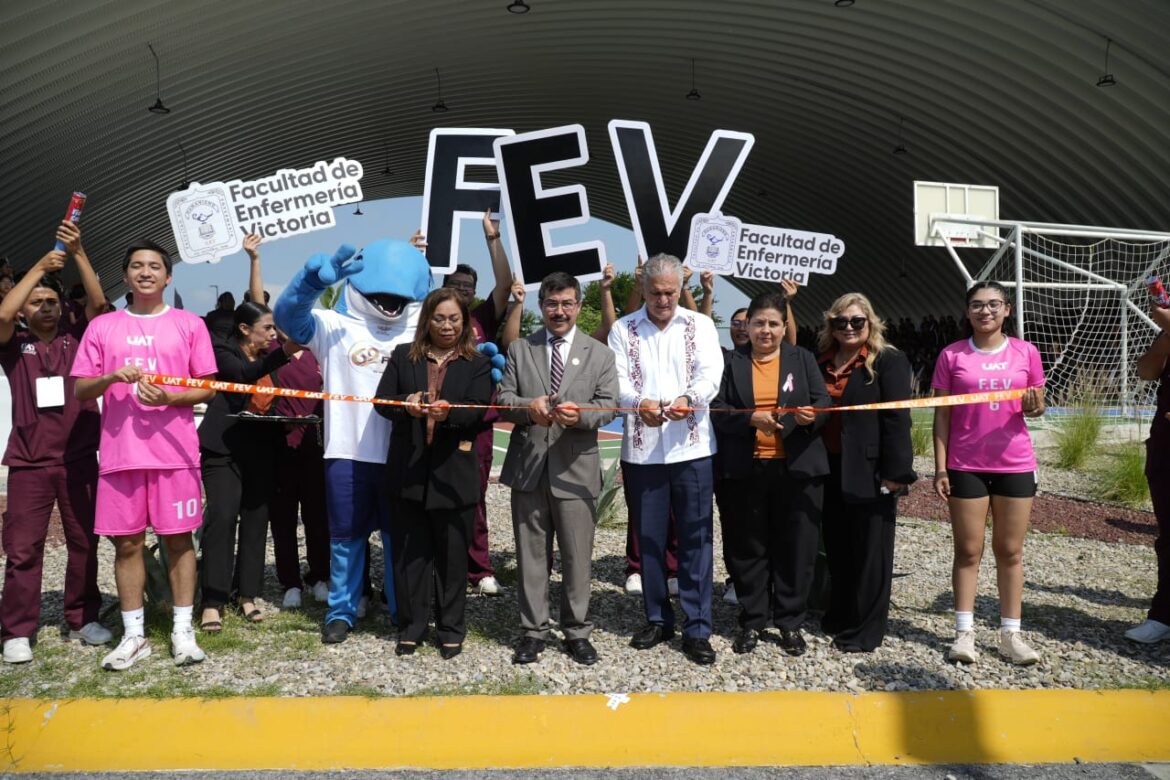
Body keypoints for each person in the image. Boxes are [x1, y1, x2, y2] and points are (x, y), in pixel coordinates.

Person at [274, 238, 432, 644]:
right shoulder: (334, 324)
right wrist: (308, 283)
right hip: (347, 452)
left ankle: (401, 610)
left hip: (402, 453)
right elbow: (288, 320)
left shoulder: (421, 332)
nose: (389, 302)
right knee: (345, 537)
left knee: (400, 538)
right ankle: (342, 610)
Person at [72, 239, 217, 670]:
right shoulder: (102, 327)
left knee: (178, 542)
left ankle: (182, 631)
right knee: (128, 544)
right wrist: (111, 377)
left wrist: (170, 398)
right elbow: (81, 388)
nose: (146, 272)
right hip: (121, 454)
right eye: (137, 266)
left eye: (155, 266)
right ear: (125, 276)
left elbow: (208, 385)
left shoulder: (189, 324)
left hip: (174, 453)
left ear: (168, 276)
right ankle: (134, 634)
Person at [0, 222, 110, 664]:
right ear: (26, 311)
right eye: (37, 302)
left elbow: (101, 303)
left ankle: (82, 618)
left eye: (52, 300)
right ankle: (16, 631)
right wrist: (40, 268)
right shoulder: (14, 342)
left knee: (85, 541)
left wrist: (79, 252)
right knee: (23, 548)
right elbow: (3, 316)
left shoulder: (78, 337)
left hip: (80, 458)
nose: (46, 307)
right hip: (29, 463)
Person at [497, 272, 618, 666]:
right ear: (541, 307)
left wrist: (578, 415)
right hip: (529, 467)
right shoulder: (520, 349)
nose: (559, 311)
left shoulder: (599, 353)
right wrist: (528, 408)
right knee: (532, 555)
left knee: (577, 556)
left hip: (576, 469)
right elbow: (504, 400)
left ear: (579, 307)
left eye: (567, 303)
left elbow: (610, 405)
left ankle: (577, 630)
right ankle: (533, 631)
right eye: (552, 303)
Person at [609, 253, 723, 665]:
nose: (662, 300)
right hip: (642, 452)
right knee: (650, 539)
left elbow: (711, 374)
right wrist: (639, 403)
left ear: (680, 289)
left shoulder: (701, 325)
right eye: (655, 293)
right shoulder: (624, 329)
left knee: (696, 538)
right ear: (643, 288)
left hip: (691, 449)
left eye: (670, 293)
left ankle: (697, 627)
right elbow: (617, 380)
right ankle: (658, 617)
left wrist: (688, 399)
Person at [374, 288, 492, 660]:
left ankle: (451, 628)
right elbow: (382, 403)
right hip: (409, 472)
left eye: (454, 319)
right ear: (427, 320)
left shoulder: (477, 363)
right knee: (412, 557)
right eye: (439, 318)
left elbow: (478, 410)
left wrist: (449, 414)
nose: (446, 326)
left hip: (453, 476)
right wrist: (405, 407)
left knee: (452, 557)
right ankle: (411, 626)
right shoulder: (402, 357)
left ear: (465, 322)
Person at [932, 280, 1045, 666]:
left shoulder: (1025, 352)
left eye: (994, 304)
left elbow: (1038, 404)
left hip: (1015, 463)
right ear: (967, 312)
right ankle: (964, 634)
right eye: (977, 305)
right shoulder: (951, 355)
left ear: (1007, 310)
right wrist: (939, 466)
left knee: (1010, 551)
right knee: (968, 550)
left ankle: (1010, 635)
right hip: (966, 465)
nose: (986, 311)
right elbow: (942, 414)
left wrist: (1033, 406)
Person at [711, 290, 829, 655]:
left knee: (796, 547)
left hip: (796, 470)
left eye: (773, 324)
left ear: (784, 326)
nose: (765, 331)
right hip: (745, 470)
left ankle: (790, 621)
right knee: (748, 546)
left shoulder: (802, 358)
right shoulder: (732, 362)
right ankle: (753, 618)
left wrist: (808, 415)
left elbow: (822, 401)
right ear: (747, 326)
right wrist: (750, 419)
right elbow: (717, 408)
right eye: (758, 323)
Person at [815, 293, 916, 653]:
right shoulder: (821, 360)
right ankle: (841, 613)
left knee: (871, 553)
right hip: (828, 468)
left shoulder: (888, 360)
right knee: (839, 549)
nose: (849, 328)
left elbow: (897, 417)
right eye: (840, 322)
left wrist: (897, 473)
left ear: (870, 323)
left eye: (857, 321)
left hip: (872, 471)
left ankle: (867, 629)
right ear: (831, 325)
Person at [423, 211, 511, 597]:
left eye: (468, 287)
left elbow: (505, 283)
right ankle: (434, 564)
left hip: (475, 426)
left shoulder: (481, 318)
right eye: (455, 284)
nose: (461, 290)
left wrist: (493, 240)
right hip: (432, 422)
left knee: (473, 498)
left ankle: (479, 568)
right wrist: (415, 255)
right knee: (430, 496)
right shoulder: (432, 317)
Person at [197, 301, 299, 630]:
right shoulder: (224, 350)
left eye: (274, 328)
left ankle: (247, 595)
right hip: (223, 448)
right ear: (244, 329)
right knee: (223, 518)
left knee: (256, 521)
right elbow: (243, 376)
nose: (272, 333)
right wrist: (284, 350)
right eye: (267, 328)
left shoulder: (272, 357)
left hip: (262, 447)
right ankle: (213, 600)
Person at [1124, 302, 1170, 644]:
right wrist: (1168, 334)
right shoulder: (1166, 330)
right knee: (1168, 534)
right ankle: (1163, 615)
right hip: (1166, 441)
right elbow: (1146, 370)